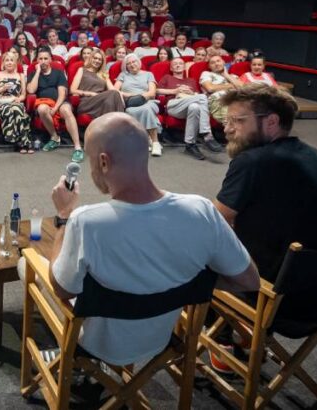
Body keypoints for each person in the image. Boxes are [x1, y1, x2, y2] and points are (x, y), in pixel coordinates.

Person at [38, 112, 259, 368]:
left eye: (89, 159)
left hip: (97, 345)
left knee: (28, 266)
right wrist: (184, 281)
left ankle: (75, 364)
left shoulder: (86, 221)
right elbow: (249, 280)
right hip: (160, 339)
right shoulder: (201, 210)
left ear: (104, 162)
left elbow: (63, 289)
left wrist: (64, 216)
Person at [214, 84, 317, 341]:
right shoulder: (314, 155)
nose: (227, 128)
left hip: (280, 300)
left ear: (271, 121)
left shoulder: (252, 161)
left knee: (190, 263)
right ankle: (245, 341)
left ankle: (223, 344)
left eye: (237, 121)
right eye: (226, 120)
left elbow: (212, 223)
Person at [157, 58, 224, 160]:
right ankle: (206, 134)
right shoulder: (167, 77)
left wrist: (192, 94)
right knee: (202, 97)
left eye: (180, 63)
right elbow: (157, 90)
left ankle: (190, 144)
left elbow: (197, 94)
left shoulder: (191, 80)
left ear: (184, 67)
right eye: (175, 64)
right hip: (173, 105)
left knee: (195, 107)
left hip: (188, 103)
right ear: (171, 68)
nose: (178, 65)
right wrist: (174, 91)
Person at [28, 48, 84, 162]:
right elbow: (31, 90)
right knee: (42, 109)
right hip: (44, 102)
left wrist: (55, 108)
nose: (43, 61)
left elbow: (62, 93)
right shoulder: (34, 74)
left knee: (66, 111)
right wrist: (38, 72)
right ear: (37, 60)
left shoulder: (58, 73)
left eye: (45, 58)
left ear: (50, 60)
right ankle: (54, 137)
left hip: (60, 101)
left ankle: (77, 147)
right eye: (40, 59)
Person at [115, 54, 163, 156]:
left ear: (139, 62)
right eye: (128, 64)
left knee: (146, 109)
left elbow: (152, 93)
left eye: (134, 62)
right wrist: (131, 96)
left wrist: (138, 96)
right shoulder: (123, 75)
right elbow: (115, 91)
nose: (132, 65)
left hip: (148, 101)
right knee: (130, 111)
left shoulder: (148, 74)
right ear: (126, 66)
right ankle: (146, 138)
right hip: (131, 104)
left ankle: (155, 142)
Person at [0, 51, 33, 154]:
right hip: (1, 103)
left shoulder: (21, 75)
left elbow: (23, 94)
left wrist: (19, 99)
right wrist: (2, 88)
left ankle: (19, 142)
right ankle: (24, 142)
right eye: (7, 60)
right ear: (3, 63)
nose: (9, 62)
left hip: (15, 102)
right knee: (11, 109)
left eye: (11, 60)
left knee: (16, 108)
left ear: (15, 63)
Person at [71, 47, 124, 119]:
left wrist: (120, 95)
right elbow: (72, 90)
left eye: (100, 60)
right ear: (91, 58)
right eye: (95, 58)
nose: (97, 61)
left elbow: (113, 90)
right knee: (112, 96)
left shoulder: (103, 74)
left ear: (102, 62)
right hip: (87, 102)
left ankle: (112, 124)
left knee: (112, 98)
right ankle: (121, 121)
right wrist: (90, 93)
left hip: (101, 101)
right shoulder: (82, 70)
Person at [200, 55, 243, 123]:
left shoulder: (232, 76)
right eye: (213, 63)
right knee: (232, 123)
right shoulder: (206, 74)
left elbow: (243, 87)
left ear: (223, 62)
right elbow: (210, 88)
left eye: (218, 61)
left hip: (236, 100)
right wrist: (232, 86)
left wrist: (227, 75)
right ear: (209, 66)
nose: (216, 64)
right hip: (219, 100)